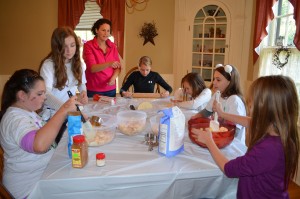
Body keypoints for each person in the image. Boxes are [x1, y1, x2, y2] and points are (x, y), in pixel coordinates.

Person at [191, 75, 299, 198]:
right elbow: (249, 121)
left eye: (252, 105)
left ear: (266, 109)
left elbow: (228, 169)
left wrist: (209, 141)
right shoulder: (278, 132)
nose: (249, 108)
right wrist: (223, 114)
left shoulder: (270, 148)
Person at [0, 69, 79, 199]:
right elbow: (39, 145)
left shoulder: (28, 111)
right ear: (22, 95)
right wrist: (63, 110)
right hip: (28, 190)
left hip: (43, 177)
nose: (45, 97)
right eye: (40, 93)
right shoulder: (14, 119)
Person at [192, 64, 246, 143]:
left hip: (233, 143)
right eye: (214, 79)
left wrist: (215, 137)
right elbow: (207, 112)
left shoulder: (234, 100)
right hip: (218, 138)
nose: (214, 82)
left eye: (218, 80)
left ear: (229, 82)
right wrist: (194, 118)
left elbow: (235, 131)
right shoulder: (217, 94)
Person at [39, 26, 88, 114]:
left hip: (70, 109)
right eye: (64, 47)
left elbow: (81, 84)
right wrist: (66, 108)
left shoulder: (78, 63)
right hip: (52, 111)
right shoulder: (48, 65)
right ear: (57, 47)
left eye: (72, 45)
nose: (69, 50)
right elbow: (46, 94)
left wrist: (83, 92)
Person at [83, 18, 122, 97]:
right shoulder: (88, 46)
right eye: (103, 30)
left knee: (111, 109)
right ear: (96, 30)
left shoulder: (112, 46)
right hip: (94, 89)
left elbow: (118, 67)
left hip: (110, 88)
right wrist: (109, 64)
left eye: (108, 31)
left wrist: (113, 78)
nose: (106, 33)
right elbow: (92, 68)